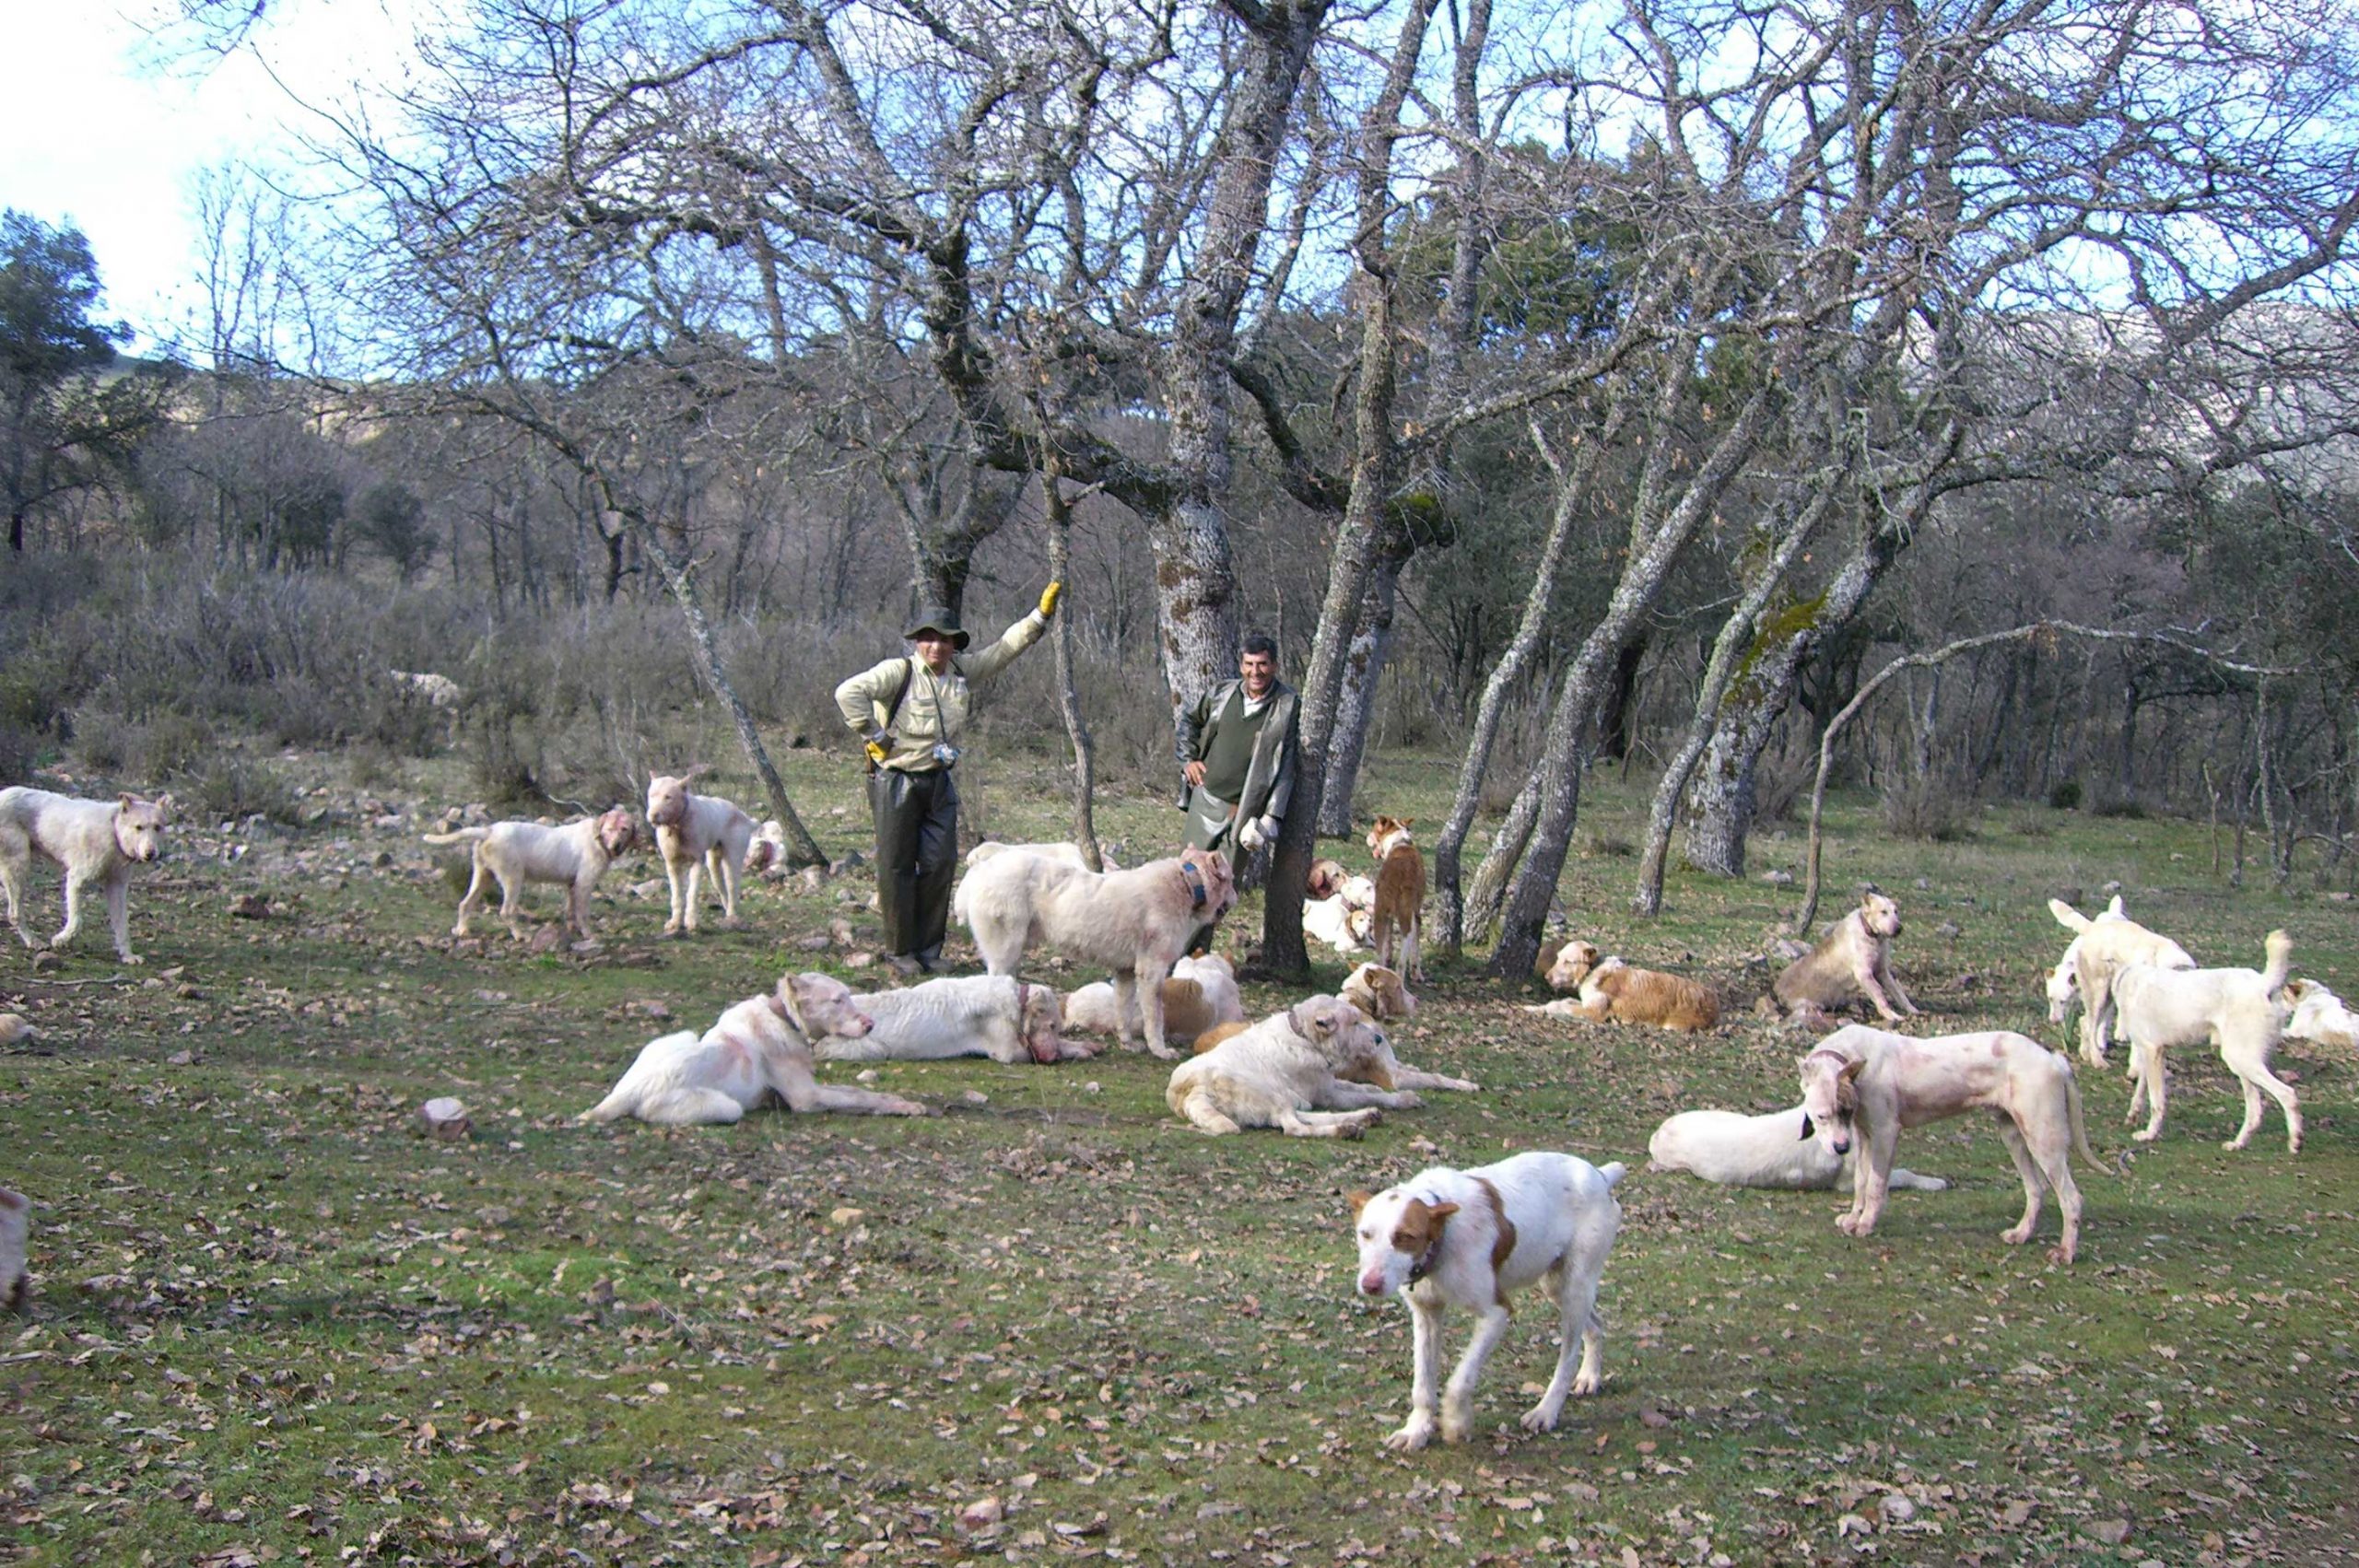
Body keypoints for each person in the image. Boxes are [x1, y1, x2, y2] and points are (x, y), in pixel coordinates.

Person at [836, 584, 1062, 977]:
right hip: (896, 780)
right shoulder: (898, 672)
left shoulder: (960, 672)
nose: (936, 647)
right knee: (896, 867)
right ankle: (899, 950)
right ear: (917, 642)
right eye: (928, 639)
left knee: (940, 864)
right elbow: (848, 692)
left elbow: (1005, 649)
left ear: (954, 644)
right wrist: (874, 734)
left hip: (938, 780)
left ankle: (929, 948)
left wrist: (1039, 617)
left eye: (944, 640)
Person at [1179, 635, 1300, 860]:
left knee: (1226, 878)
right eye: (1249, 664)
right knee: (1189, 871)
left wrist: (1272, 815)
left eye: (1262, 664)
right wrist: (1189, 760)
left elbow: (1288, 764)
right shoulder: (1222, 693)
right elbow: (1189, 721)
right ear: (1241, 666)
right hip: (1205, 799)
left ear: (1274, 665)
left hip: (1245, 811)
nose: (1255, 672)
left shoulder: (1287, 705)